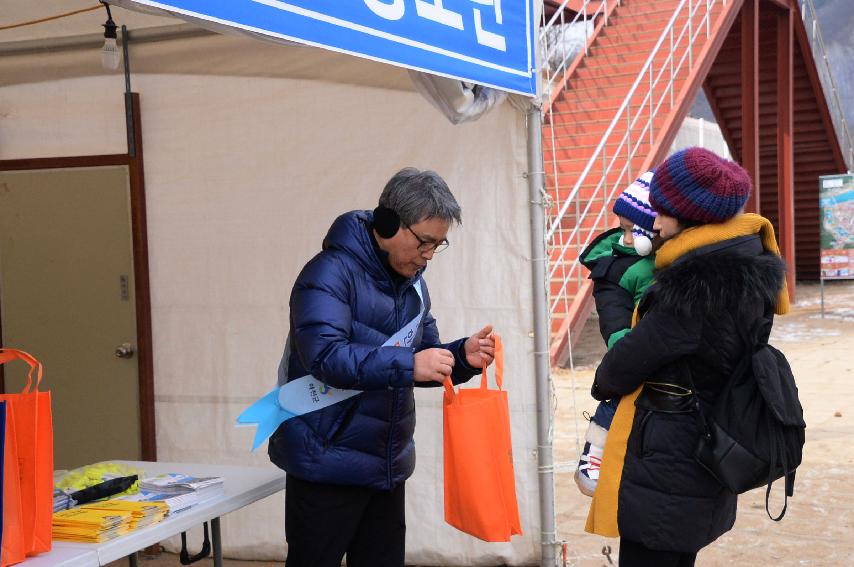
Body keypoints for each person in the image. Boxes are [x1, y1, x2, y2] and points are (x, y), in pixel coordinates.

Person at [268, 168, 496, 567]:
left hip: (385, 463)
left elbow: (424, 355)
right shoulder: (328, 273)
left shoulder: (415, 283)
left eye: (438, 245)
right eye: (424, 242)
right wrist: (409, 363)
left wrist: (461, 357)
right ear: (389, 223)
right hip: (326, 460)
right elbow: (324, 357)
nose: (428, 255)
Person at [584, 148, 790, 566]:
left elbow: (619, 369)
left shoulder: (693, 289)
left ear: (690, 214)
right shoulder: (745, 264)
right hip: (702, 453)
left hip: (669, 465)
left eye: (662, 210)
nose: (654, 222)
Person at [575, 172, 657, 496]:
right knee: (613, 400)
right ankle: (592, 456)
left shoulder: (668, 258)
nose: (624, 238)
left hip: (661, 357)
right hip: (632, 349)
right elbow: (612, 318)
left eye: (630, 230)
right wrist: (628, 346)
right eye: (621, 229)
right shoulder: (613, 268)